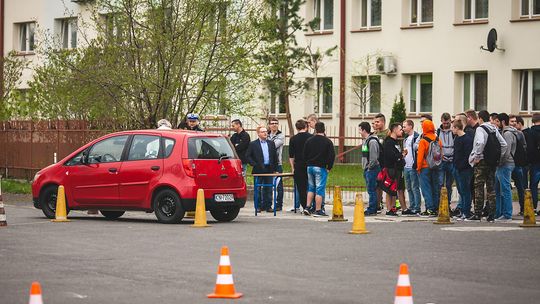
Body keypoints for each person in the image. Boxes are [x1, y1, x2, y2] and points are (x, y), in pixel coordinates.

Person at [467, 110, 507, 222]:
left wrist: (477, 157)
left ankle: (477, 213)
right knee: (491, 188)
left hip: (482, 161)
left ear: (480, 118)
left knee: (478, 186)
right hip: (492, 162)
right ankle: (492, 214)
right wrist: (498, 157)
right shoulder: (494, 128)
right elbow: (504, 144)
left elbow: (480, 143)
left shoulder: (480, 128)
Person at [303, 122, 335, 217]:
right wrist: (329, 167)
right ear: (324, 129)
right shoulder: (328, 142)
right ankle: (318, 209)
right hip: (320, 167)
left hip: (310, 167)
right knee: (319, 189)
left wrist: (308, 163)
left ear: (315, 130)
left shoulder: (309, 140)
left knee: (311, 188)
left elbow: (304, 154)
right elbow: (331, 156)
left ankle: (307, 207)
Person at [246, 126, 279, 213]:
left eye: (266, 131)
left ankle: (268, 206)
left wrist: (275, 168)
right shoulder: (253, 144)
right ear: (258, 133)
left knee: (268, 189)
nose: (265, 133)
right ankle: (258, 206)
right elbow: (248, 156)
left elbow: (275, 156)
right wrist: (254, 164)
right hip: (258, 169)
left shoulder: (271, 143)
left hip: (269, 168)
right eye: (263, 132)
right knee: (258, 189)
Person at [417, 119, 442, 217]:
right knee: (435, 188)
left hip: (425, 167)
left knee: (426, 188)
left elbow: (420, 157)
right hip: (436, 166)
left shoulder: (423, 141)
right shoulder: (438, 139)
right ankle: (435, 208)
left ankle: (429, 208)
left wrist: (418, 168)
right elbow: (441, 154)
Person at [382, 123, 407, 216]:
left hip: (398, 169)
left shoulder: (396, 142)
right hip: (392, 169)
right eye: (400, 129)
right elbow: (391, 156)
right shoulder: (389, 142)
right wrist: (401, 155)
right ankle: (390, 209)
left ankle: (404, 208)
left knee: (400, 189)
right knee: (391, 190)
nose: (402, 131)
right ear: (394, 130)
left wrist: (401, 156)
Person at [495, 113, 516, 222]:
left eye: (498, 121)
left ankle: (507, 214)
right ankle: (499, 213)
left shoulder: (507, 133)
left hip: (506, 164)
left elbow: (506, 151)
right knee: (498, 189)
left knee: (505, 189)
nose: (496, 123)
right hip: (504, 164)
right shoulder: (505, 132)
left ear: (503, 122)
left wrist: (499, 162)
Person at [289, 119, 313, 212]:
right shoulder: (311, 137)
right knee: (312, 186)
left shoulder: (293, 139)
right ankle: (312, 206)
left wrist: (292, 168)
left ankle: (304, 207)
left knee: (301, 188)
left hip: (298, 165)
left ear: (296, 128)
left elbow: (291, 156)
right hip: (310, 164)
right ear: (306, 127)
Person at [452, 119, 473, 219]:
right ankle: (463, 211)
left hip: (465, 169)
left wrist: (461, 166)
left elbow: (467, 155)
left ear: (457, 128)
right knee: (461, 191)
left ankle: (466, 211)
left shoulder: (467, 139)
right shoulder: (456, 138)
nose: (452, 130)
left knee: (466, 191)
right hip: (457, 168)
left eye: (453, 128)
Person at [359, 122, 382, 216]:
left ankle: (372, 209)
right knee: (371, 189)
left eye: (360, 130)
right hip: (367, 169)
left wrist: (369, 168)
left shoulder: (372, 141)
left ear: (364, 130)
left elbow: (373, 158)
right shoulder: (366, 141)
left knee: (371, 189)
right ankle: (373, 207)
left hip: (372, 169)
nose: (359, 132)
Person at [437, 113, 456, 213]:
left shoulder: (453, 131)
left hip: (451, 161)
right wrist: (440, 154)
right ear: (441, 121)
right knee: (440, 184)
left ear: (450, 121)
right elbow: (435, 146)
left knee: (449, 185)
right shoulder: (438, 132)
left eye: (447, 123)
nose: (445, 125)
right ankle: (440, 205)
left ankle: (447, 205)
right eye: (444, 123)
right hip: (442, 161)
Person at [509, 114, 527, 215]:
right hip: (509, 163)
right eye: (512, 121)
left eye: (515, 121)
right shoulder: (506, 133)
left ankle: (523, 208)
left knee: (521, 187)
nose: (514, 123)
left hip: (518, 164)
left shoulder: (520, 134)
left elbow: (524, 146)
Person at [402, 120, 421, 216]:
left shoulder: (416, 137)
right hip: (406, 166)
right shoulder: (405, 139)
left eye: (405, 126)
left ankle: (417, 207)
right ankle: (412, 205)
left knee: (415, 187)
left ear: (410, 126)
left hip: (413, 166)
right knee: (408, 187)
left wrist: (416, 163)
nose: (403, 128)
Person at [267, 117, 285, 211]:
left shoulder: (281, 135)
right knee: (268, 184)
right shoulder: (267, 134)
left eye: (276, 123)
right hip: (268, 163)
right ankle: (267, 204)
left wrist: (265, 142)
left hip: (278, 163)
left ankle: (279, 205)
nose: (274, 125)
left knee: (279, 185)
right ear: (269, 125)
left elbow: (272, 146)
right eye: (272, 123)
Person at [524, 113, 540, 214]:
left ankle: (533, 208)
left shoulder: (530, 133)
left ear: (532, 121)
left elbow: (529, 149)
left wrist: (529, 161)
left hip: (534, 163)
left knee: (533, 186)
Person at [372, 113, 388, 212]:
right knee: (377, 184)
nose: (376, 124)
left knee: (388, 184)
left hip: (386, 162)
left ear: (383, 122)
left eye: (378, 122)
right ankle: (378, 204)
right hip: (377, 163)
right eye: (375, 122)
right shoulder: (374, 134)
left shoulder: (388, 133)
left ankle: (393, 205)